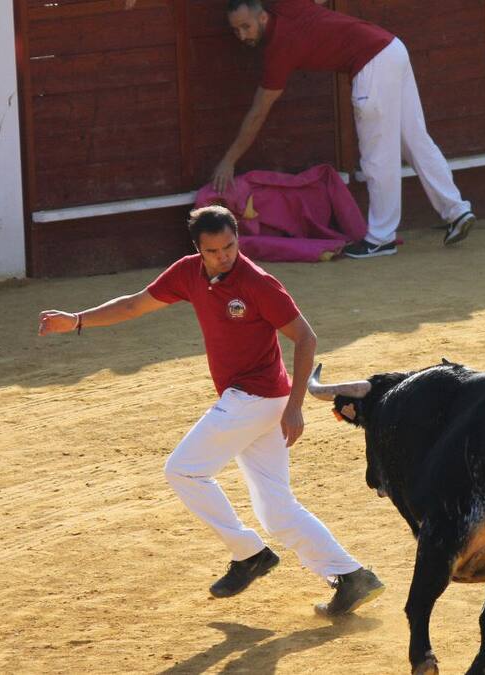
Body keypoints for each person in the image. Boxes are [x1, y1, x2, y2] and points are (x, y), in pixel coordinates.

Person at [37, 205, 384, 616]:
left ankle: (249, 554)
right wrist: (77, 320)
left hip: (254, 398)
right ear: (198, 250)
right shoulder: (187, 273)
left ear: (239, 239)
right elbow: (133, 305)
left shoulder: (258, 283)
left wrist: (295, 408)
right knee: (276, 508)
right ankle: (351, 576)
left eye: (231, 246)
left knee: (182, 470)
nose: (225, 256)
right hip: (255, 401)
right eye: (214, 250)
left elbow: (305, 338)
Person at [215, 0, 476, 258]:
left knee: (377, 157)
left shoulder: (278, 50)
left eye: (246, 27)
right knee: (416, 141)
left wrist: (229, 159)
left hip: (370, 63)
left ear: (262, 17)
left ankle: (381, 239)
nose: (242, 35)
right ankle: (456, 210)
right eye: (236, 30)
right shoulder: (287, 5)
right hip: (392, 48)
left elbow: (258, 112)